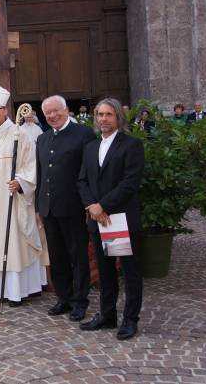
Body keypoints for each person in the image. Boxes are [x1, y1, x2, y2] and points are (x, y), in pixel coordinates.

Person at [0, 82, 45, 307]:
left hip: (13, 199)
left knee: (14, 242)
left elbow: (31, 165)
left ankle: (19, 290)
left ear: (5, 110)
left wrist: (21, 182)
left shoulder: (19, 134)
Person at [77, 97, 145, 340]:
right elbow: (82, 180)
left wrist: (101, 205)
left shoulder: (131, 145)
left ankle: (130, 319)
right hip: (98, 220)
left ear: (118, 117)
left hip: (120, 218)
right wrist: (91, 206)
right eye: (100, 115)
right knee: (105, 272)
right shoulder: (91, 147)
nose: (103, 119)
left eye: (108, 114)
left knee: (128, 271)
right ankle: (107, 315)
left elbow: (130, 183)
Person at [37, 95, 96, 322]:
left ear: (66, 110)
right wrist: (38, 207)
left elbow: (89, 172)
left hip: (74, 207)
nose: (52, 116)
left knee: (78, 257)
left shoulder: (84, 134)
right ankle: (64, 298)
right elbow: (42, 175)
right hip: (49, 208)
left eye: (55, 111)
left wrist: (88, 204)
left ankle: (80, 302)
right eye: (47, 113)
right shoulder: (42, 139)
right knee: (57, 256)